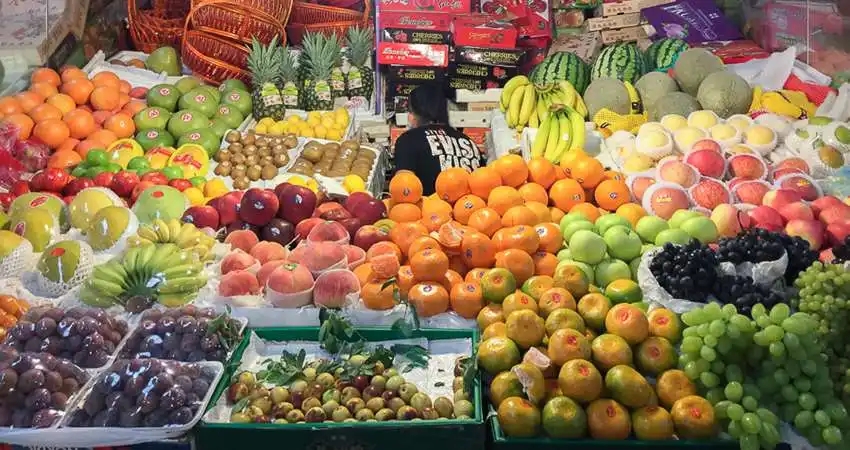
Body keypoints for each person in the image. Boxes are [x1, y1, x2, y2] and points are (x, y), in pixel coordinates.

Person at [393, 83, 483, 195]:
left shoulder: (408, 140)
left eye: (410, 111)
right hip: (473, 208)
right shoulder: (468, 142)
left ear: (413, 115)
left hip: (430, 210)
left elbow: (403, 189)